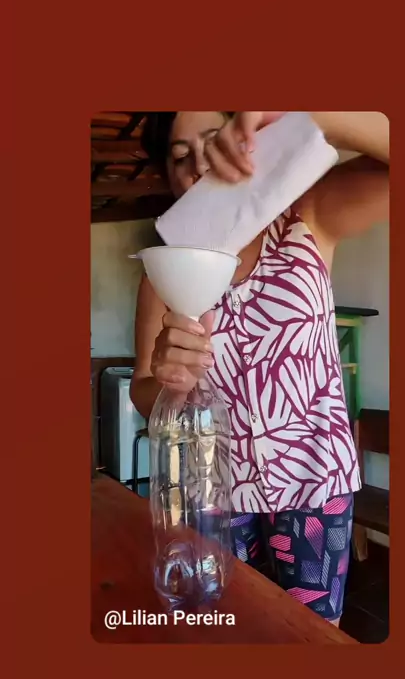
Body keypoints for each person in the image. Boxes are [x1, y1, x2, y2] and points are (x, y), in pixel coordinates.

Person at [130, 111, 389, 625]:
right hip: (215, 488)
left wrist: (312, 113)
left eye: (215, 143)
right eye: (181, 158)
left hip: (315, 480)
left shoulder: (309, 217)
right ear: (168, 177)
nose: (200, 165)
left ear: (248, 142)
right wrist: (167, 382)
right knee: (227, 627)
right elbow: (143, 389)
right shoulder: (163, 273)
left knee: (311, 634)